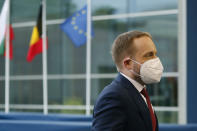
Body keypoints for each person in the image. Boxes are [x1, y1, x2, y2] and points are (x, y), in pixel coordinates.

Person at [92, 31, 164, 131]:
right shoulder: (113, 97)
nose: (156, 60)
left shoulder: (139, 92)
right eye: (149, 55)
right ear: (128, 63)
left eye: (155, 54)